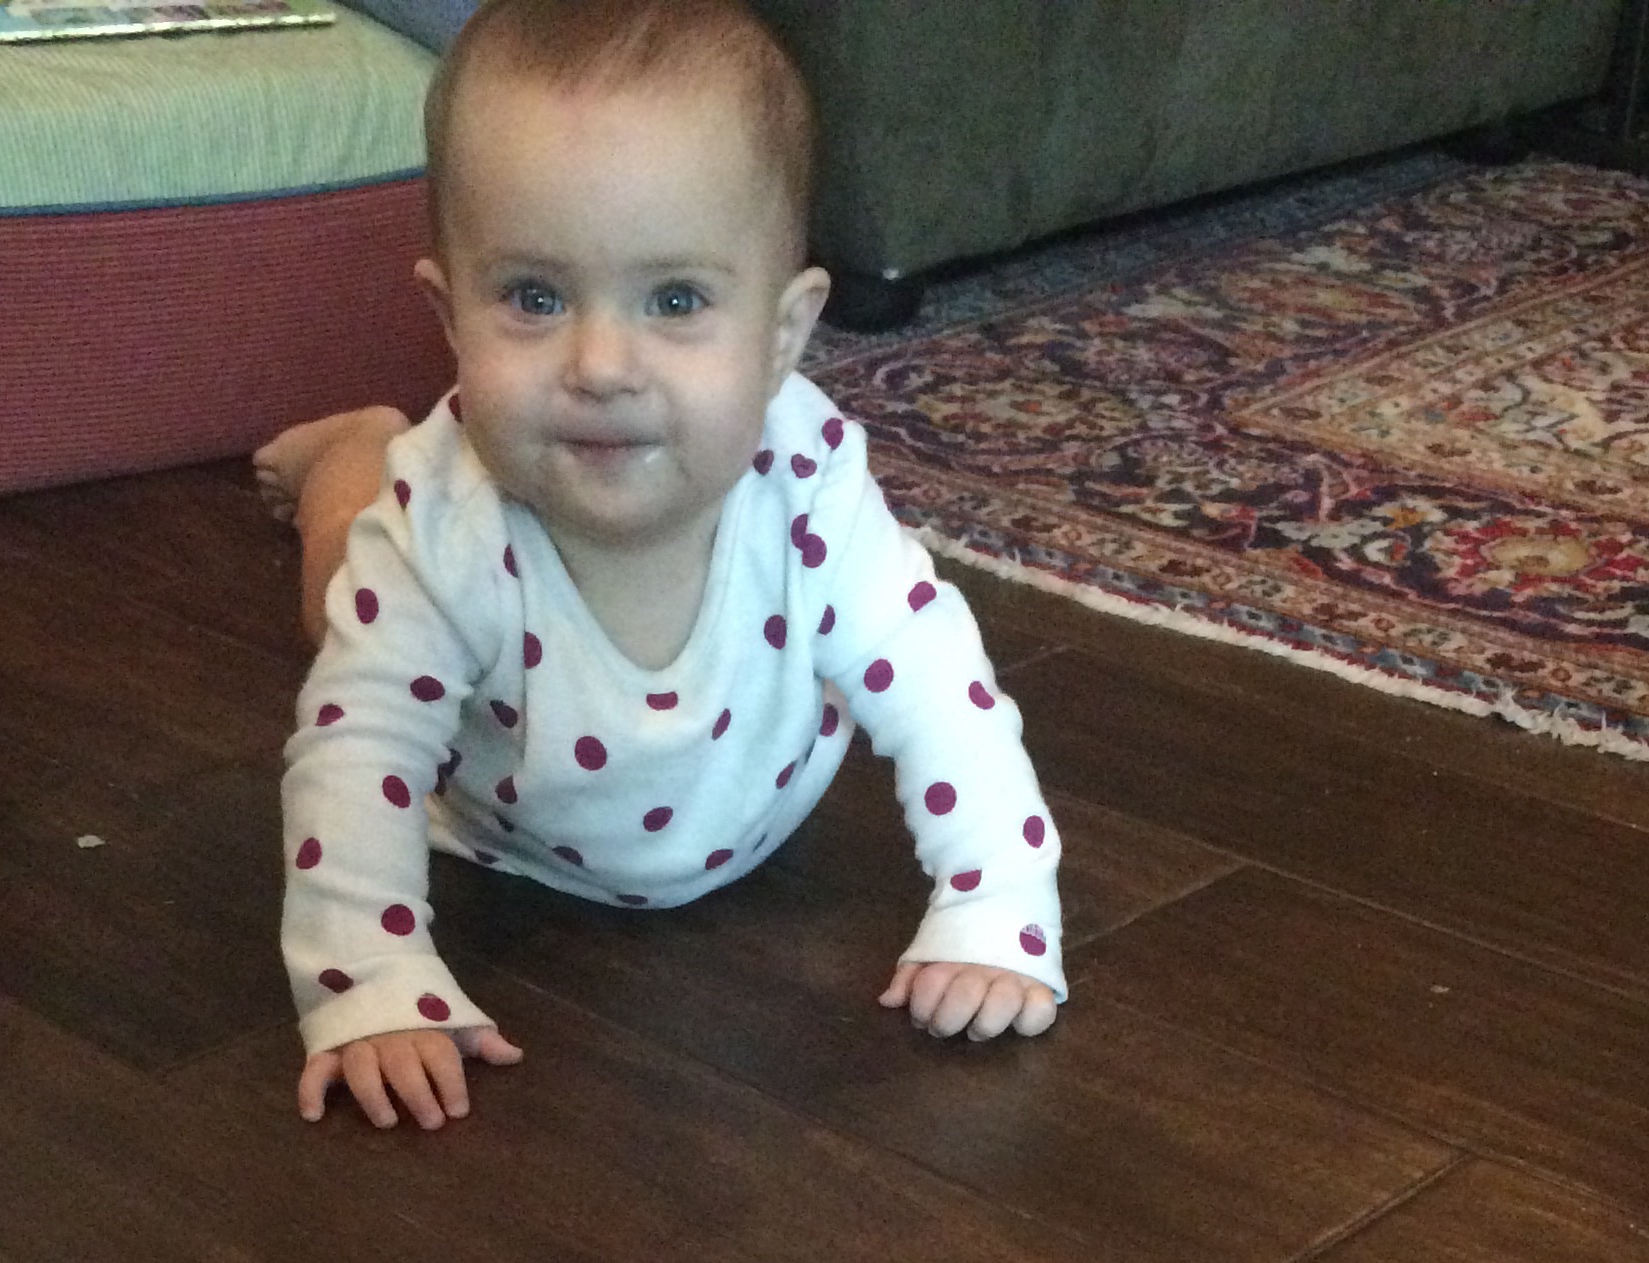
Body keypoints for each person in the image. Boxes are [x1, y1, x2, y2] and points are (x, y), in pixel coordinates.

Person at [258, 0, 1065, 1132]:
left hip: (737, 828)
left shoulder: (809, 484)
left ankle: (360, 444)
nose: (601, 364)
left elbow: (940, 687)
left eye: (676, 300)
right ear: (449, 317)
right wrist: (369, 979)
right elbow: (359, 752)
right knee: (340, 594)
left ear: (782, 337)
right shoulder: (446, 522)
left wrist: (996, 902)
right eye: (534, 298)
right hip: (497, 828)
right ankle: (351, 459)